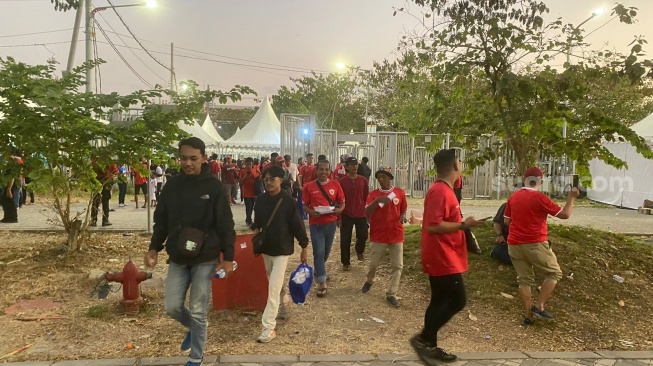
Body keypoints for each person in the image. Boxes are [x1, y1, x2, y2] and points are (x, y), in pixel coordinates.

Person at [144, 137, 236, 366]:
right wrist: (154, 247)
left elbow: (226, 224)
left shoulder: (213, 187)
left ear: (204, 158)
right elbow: (161, 221)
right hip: (177, 256)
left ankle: (196, 358)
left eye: (194, 159)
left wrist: (229, 257)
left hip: (206, 257)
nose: (188, 163)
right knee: (172, 306)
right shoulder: (172, 186)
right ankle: (193, 329)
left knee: (197, 309)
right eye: (183, 158)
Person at [411, 149, 485, 364]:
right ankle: (424, 339)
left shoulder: (445, 190)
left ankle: (429, 345)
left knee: (439, 300)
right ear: (455, 166)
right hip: (442, 256)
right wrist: (464, 224)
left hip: (446, 253)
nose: (461, 165)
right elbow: (434, 225)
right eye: (460, 162)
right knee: (457, 299)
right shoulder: (440, 191)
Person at [504, 167, 579, 326]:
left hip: (514, 245)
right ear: (541, 181)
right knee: (554, 273)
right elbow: (565, 214)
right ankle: (539, 305)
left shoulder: (513, 197)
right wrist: (571, 198)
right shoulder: (539, 198)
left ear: (524, 179)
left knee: (524, 280)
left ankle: (528, 316)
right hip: (535, 243)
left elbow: (506, 221)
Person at [251, 165, 309, 343]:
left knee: (273, 288)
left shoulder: (289, 201)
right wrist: (255, 236)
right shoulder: (260, 199)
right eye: (265, 180)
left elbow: (297, 225)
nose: (268, 183)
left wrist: (304, 246)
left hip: (283, 250)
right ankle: (282, 301)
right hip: (266, 249)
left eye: (272, 179)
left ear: (281, 180)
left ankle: (269, 326)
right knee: (273, 284)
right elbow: (257, 222)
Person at [361, 167, 407, 308]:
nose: (381, 179)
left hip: (396, 233)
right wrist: (377, 201)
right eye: (379, 177)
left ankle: (391, 293)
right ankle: (370, 280)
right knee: (374, 263)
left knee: (397, 265)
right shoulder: (373, 194)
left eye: (384, 177)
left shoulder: (399, 193)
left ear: (390, 178)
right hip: (378, 234)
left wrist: (402, 217)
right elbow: (367, 212)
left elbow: (403, 209)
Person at [302, 160, 345, 297]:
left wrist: (339, 211)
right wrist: (311, 212)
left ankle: (318, 269)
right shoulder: (309, 187)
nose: (324, 172)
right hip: (316, 224)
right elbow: (304, 205)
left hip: (330, 223)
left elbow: (342, 202)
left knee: (326, 252)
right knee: (319, 252)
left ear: (330, 171)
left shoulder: (335, 185)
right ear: (316, 170)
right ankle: (322, 282)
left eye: (326, 170)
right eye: (321, 169)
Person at [338, 156, 369, 269]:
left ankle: (359, 250)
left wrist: (367, 211)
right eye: (352, 165)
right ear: (347, 167)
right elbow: (339, 199)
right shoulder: (342, 182)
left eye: (356, 164)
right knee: (345, 238)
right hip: (347, 213)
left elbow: (366, 196)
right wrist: (339, 217)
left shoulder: (363, 180)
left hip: (361, 213)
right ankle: (345, 262)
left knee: (363, 235)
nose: (354, 167)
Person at [91, 159, 118, 227]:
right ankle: (105, 220)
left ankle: (93, 220)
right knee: (105, 201)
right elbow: (115, 171)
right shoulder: (110, 161)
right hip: (106, 181)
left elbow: (91, 170)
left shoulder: (95, 160)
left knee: (95, 200)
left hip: (96, 180)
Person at [238, 157, 260, 227]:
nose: (248, 166)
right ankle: (248, 220)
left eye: (250, 164)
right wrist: (246, 176)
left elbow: (258, 181)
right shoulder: (242, 171)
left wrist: (259, 174)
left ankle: (250, 219)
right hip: (246, 193)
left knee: (253, 207)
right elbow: (240, 182)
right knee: (248, 207)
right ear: (245, 164)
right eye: (247, 164)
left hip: (254, 192)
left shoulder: (255, 170)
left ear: (252, 164)